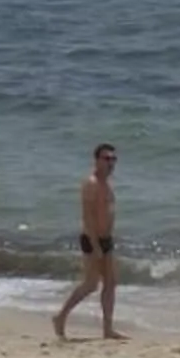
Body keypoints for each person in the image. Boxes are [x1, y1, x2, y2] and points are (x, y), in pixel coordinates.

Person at [53, 143, 125, 341]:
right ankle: (60, 317)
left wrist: (108, 239)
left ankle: (108, 329)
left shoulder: (107, 184)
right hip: (92, 239)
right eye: (106, 159)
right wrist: (94, 246)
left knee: (111, 282)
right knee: (91, 284)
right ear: (97, 160)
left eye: (113, 159)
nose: (110, 163)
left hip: (106, 239)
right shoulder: (91, 183)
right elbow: (88, 217)